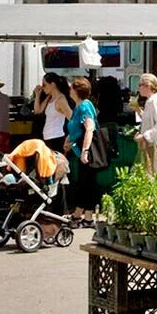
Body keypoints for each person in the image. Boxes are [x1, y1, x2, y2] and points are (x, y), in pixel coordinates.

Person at [65, 78, 99, 228]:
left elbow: (89, 128)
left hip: (86, 150)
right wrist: (68, 140)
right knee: (85, 182)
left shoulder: (84, 106)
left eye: (71, 88)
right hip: (78, 150)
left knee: (86, 182)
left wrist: (85, 151)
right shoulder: (79, 106)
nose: (69, 90)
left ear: (76, 90)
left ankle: (83, 216)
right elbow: (75, 128)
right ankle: (84, 215)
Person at [33, 74, 73, 153]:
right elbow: (37, 111)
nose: (43, 87)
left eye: (44, 85)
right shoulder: (49, 98)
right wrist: (37, 95)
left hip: (57, 138)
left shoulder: (60, 100)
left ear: (52, 84)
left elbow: (71, 118)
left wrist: (70, 137)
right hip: (49, 137)